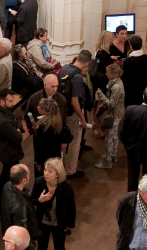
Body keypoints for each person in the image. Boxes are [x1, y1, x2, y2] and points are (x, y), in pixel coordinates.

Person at [31, 157, 76, 250]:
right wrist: (40, 200)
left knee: (59, 249)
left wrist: (70, 225)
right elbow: (31, 201)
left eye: (50, 171)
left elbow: (71, 207)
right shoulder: (39, 183)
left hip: (59, 224)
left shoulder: (66, 186)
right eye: (45, 170)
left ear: (57, 174)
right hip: (43, 223)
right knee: (41, 249)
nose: (46, 173)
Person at [59, 50, 91, 178]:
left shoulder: (65, 68)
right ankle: (70, 170)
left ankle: (61, 166)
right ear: (86, 64)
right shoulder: (77, 77)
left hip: (62, 111)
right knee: (73, 142)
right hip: (73, 114)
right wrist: (82, 119)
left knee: (64, 139)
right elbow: (74, 101)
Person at [0, 88, 25, 198]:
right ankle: (3, 195)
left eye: (13, 100)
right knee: (7, 173)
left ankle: (12, 190)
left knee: (9, 172)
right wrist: (17, 130)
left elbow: (16, 118)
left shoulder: (0, 110)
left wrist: (17, 127)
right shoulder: (4, 121)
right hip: (9, 151)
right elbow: (18, 137)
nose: (13, 103)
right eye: (10, 101)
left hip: (7, 149)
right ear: (2, 101)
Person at [94, 63, 125, 169]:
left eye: (108, 73)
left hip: (114, 115)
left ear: (114, 74)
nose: (106, 74)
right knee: (114, 136)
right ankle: (113, 156)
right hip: (117, 113)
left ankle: (108, 160)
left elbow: (111, 103)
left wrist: (101, 95)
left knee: (109, 137)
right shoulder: (117, 82)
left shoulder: (116, 87)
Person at [0, 164, 40, 238]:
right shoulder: (20, 206)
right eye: (28, 174)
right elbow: (23, 233)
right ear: (24, 180)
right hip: (19, 242)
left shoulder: (7, 186)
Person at [31, 98, 68, 174]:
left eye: (41, 107)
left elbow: (40, 147)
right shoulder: (58, 122)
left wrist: (38, 162)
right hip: (55, 156)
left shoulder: (44, 128)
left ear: (47, 111)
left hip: (45, 160)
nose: (37, 107)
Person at [122, 35, 147, 106]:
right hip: (142, 90)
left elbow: (125, 78)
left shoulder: (129, 61)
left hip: (129, 92)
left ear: (131, 46)